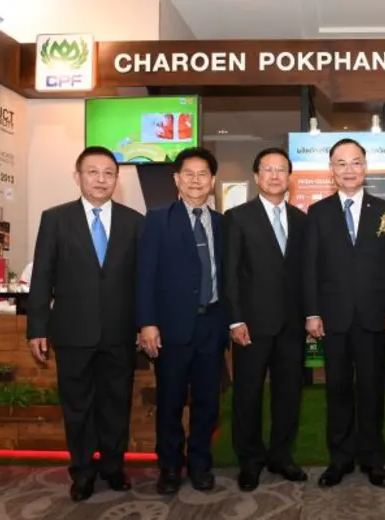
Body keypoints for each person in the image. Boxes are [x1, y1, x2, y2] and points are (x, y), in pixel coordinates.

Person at [27, 146, 143, 501]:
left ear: (117, 179)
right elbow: (42, 277)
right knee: (77, 407)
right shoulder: (55, 219)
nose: (101, 179)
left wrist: (144, 324)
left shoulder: (134, 221)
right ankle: (82, 471)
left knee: (116, 403)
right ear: (77, 176)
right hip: (72, 332)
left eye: (109, 173)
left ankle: (113, 466)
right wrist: (37, 327)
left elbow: (143, 280)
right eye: (93, 172)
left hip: (119, 332)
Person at [304, 138, 385, 489]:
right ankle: (340, 459)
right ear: (331, 170)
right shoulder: (318, 212)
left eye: (355, 162)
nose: (349, 170)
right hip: (333, 318)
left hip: (374, 316)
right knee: (337, 390)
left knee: (372, 390)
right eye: (341, 163)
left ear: (365, 167)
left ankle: (373, 460)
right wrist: (312, 312)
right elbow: (310, 266)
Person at [137, 147, 228, 494]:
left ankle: (201, 464)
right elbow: (145, 275)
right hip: (171, 327)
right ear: (176, 179)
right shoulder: (157, 219)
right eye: (188, 174)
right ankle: (170, 467)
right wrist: (147, 322)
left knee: (208, 402)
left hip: (212, 325)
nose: (195, 181)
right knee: (170, 402)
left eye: (203, 174)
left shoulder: (222, 223)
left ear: (212, 181)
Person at [224, 148, 308, 491]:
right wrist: (235, 320)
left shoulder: (301, 220)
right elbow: (230, 273)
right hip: (252, 325)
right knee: (248, 394)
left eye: (281, 169)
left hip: (292, 325)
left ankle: (281, 456)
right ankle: (250, 460)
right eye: (268, 169)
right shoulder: (237, 217)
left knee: (289, 394)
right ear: (256, 176)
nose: (275, 175)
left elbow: (305, 273)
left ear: (289, 177)